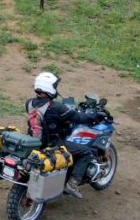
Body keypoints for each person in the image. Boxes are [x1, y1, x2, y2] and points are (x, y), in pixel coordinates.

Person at [25, 71, 104, 199]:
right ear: (50, 88)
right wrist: (95, 116)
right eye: (55, 86)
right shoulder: (56, 108)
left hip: (35, 142)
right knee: (86, 152)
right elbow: (78, 117)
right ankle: (73, 183)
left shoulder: (29, 102)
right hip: (54, 145)